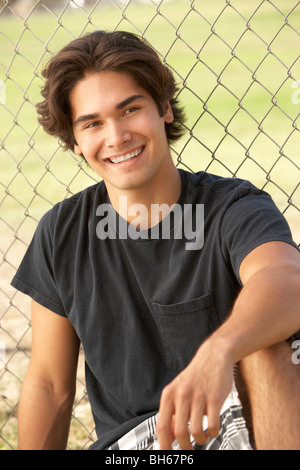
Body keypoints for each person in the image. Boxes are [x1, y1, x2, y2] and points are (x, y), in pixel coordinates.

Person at [11, 30, 300, 451]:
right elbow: (51, 385)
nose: (116, 136)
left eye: (130, 109)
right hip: (136, 447)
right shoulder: (61, 232)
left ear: (163, 107)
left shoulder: (233, 208)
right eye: (92, 123)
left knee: (268, 347)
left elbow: (286, 280)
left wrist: (219, 350)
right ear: (75, 142)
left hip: (240, 419)